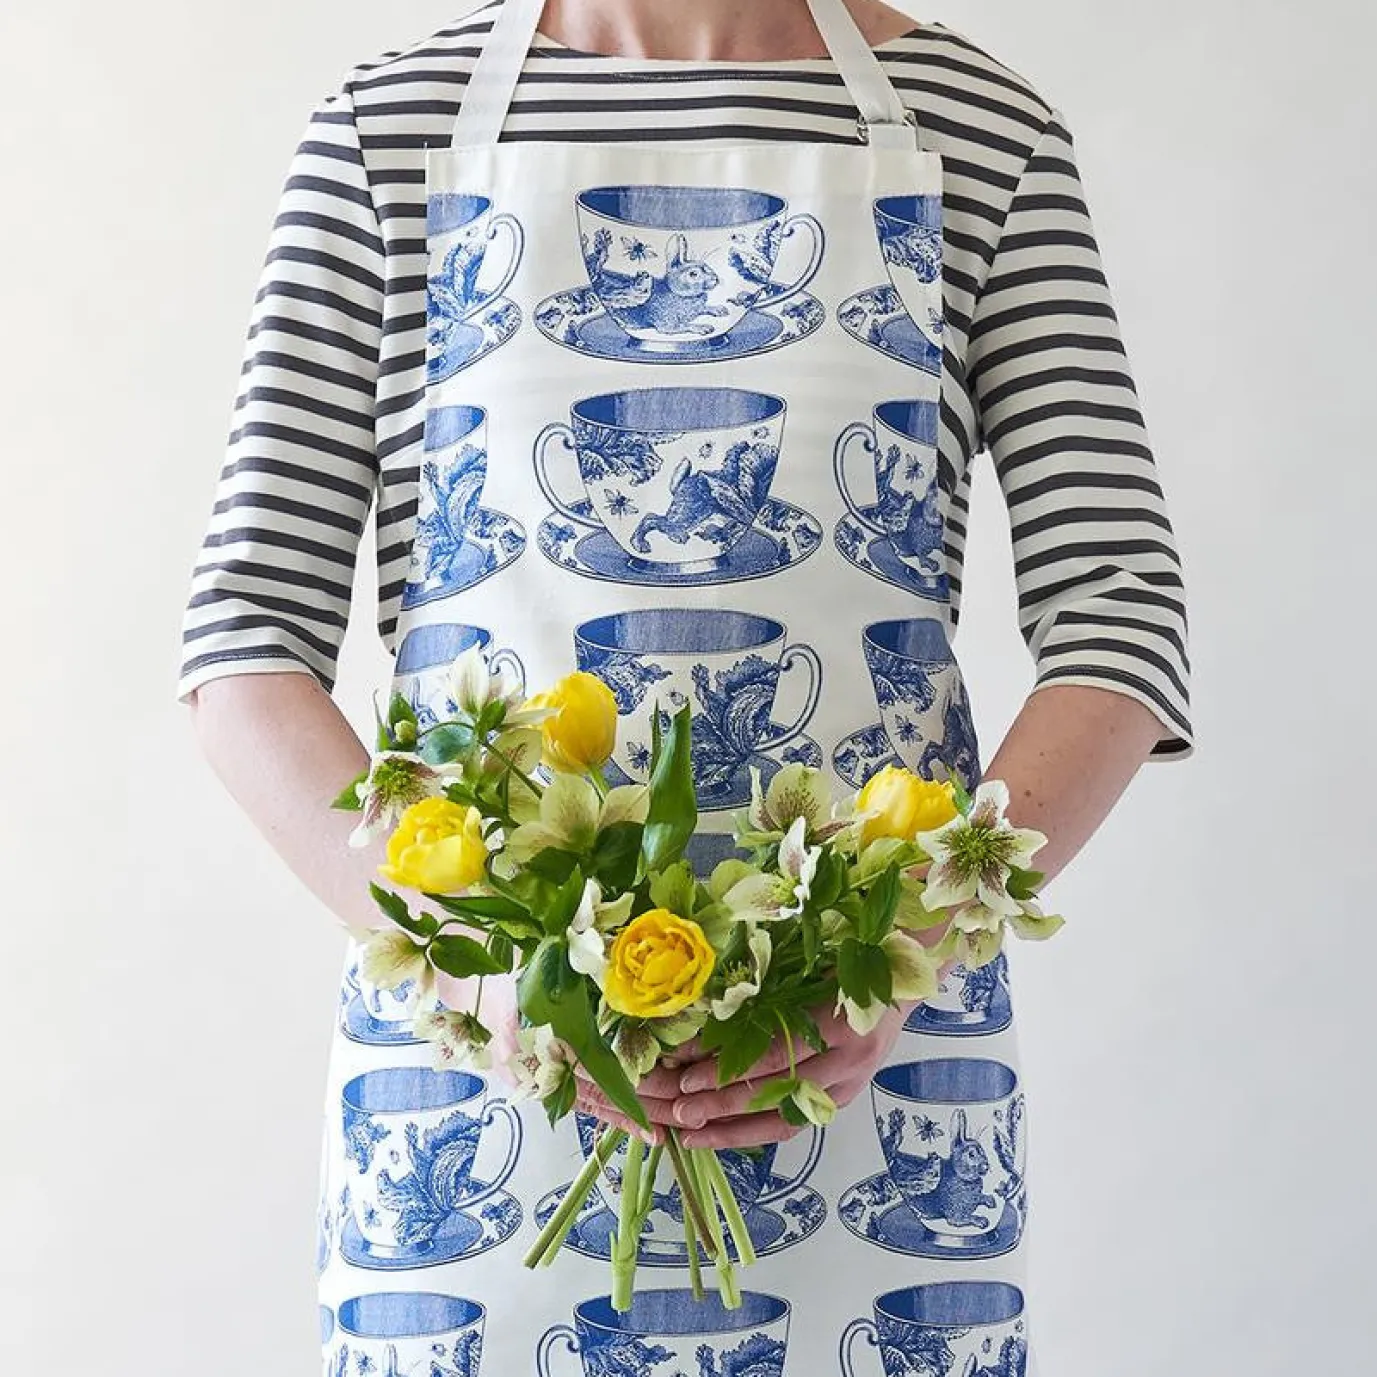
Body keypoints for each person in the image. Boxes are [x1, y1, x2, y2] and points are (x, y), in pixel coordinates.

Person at [179, 2, 1193, 1373]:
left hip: (869, 1064)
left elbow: (1120, 614)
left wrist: (901, 955)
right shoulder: (388, 129)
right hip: (485, 1068)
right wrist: (489, 981)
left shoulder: (981, 131)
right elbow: (245, 644)